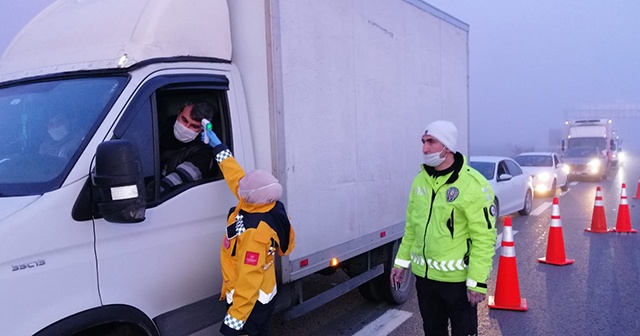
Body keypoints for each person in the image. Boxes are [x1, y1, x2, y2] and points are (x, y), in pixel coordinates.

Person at [390, 120, 497, 336]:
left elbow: (484, 238)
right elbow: (412, 228)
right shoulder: (420, 181)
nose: (424, 148)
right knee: (432, 331)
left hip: (457, 284)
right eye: (423, 142)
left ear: (447, 146)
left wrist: (477, 281)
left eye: (431, 142)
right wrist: (400, 263)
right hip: (426, 281)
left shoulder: (472, 184)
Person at [201, 123, 295, 336]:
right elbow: (236, 176)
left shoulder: (255, 233)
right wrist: (217, 146)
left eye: (244, 190)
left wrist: (233, 323)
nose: (239, 189)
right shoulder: (264, 203)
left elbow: (248, 280)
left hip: (251, 306)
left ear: (251, 196)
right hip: (263, 295)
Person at [157, 98, 215, 194]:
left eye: (194, 126)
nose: (186, 127)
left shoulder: (202, 155)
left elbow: (168, 186)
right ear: (178, 113)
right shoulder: (161, 127)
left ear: (202, 130)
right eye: (184, 120)